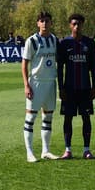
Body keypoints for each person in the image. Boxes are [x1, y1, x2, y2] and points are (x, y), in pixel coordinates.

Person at [56, 13, 95, 159]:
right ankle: (68, 150)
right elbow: (60, 68)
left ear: (83, 25)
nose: (77, 26)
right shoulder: (64, 43)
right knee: (68, 118)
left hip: (85, 88)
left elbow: (93, 68)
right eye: (74, 24)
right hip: (69, 89)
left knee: (86, 118)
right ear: (70, 25)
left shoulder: (89, 43)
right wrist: (61, 88)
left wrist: (94, 86)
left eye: (79, 24)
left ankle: (86, 150)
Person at [21, 11, 60, 162]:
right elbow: (24, 64)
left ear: (51, 23)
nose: (44, 23)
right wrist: (26, 85)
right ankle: (29, 153)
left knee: (48, 117)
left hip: (50, 83)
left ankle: (46, 151)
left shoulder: (54, 40)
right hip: (36, 83)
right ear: (38, 23)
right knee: (30, 117)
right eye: (42, 21)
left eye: (47, 21)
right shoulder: (31, 41)